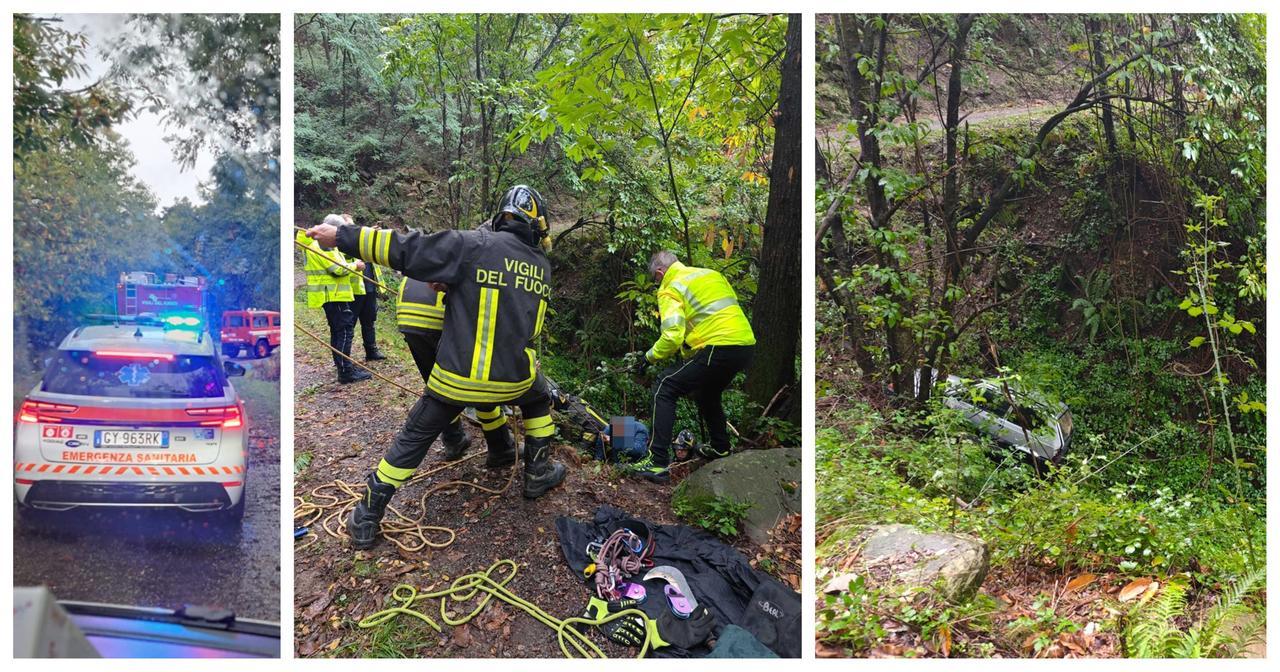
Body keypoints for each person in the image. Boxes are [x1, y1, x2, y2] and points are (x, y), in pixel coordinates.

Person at [306, 184, 564, 550]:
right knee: (539, 399)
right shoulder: (541, 268)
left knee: (414, 437)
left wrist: (343, 236)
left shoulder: (475, 245)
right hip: (514, 382)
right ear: (538, 225)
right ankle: (537, 472)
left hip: (456, 381)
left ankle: (366, 516)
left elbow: (407, 249)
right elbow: (526, 327)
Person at [628, 250, 756, 483]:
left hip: (718, 345)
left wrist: (648, 358)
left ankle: (657, 462)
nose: (657, 283)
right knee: (708, 394)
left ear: (660, 272)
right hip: (745, 345)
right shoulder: (710, 274)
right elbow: (708, 318)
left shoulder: (670, 287)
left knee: (665, 386)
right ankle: (720, 447)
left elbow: (672, 337)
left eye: (656, 279)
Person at [396, 273, 517, 462]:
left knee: (438, 387)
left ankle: (453, 441)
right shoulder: (477, 248)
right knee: (477, 383)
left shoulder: (434, 246)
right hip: (438, 318)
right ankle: (500, 446)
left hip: (408, 316)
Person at [297, 216, 371, 384]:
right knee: (344, 331)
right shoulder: (322, 245)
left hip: (335, 294)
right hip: (332, 295)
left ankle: (345, 366)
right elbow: (337, 268)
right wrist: (356, 266)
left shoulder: (324, 245)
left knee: (338, 331)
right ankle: (345, 371)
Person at [342, 214, 388, 361]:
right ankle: (345, 358)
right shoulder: (341, 245)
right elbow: (351, 248)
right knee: (349, 324)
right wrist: (365, 231)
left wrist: (370, 234)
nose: (352, 229)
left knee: (369, 321)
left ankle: (371, 350)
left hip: (369, 287)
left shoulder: (359, 241)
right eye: (348, 226)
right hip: (353, 290)